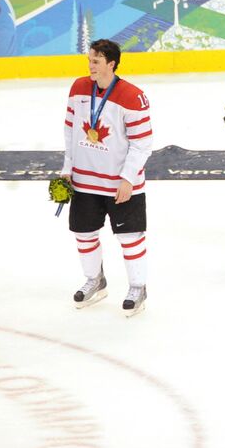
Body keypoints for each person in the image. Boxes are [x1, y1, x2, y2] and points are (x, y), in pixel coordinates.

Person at [61, 38, 153, 316]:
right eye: (89, 60)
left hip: (119, 184)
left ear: (111, 64)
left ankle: (138, 287)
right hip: (85, 179)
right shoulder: (78, 88)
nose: (91, 66)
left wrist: (128, 179)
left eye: (96, 61)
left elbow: (142, 143)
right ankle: (95, 280)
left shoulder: (132, 96)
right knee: (83, 232)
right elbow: (69, 130)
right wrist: (67, 168)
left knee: (130, 236)